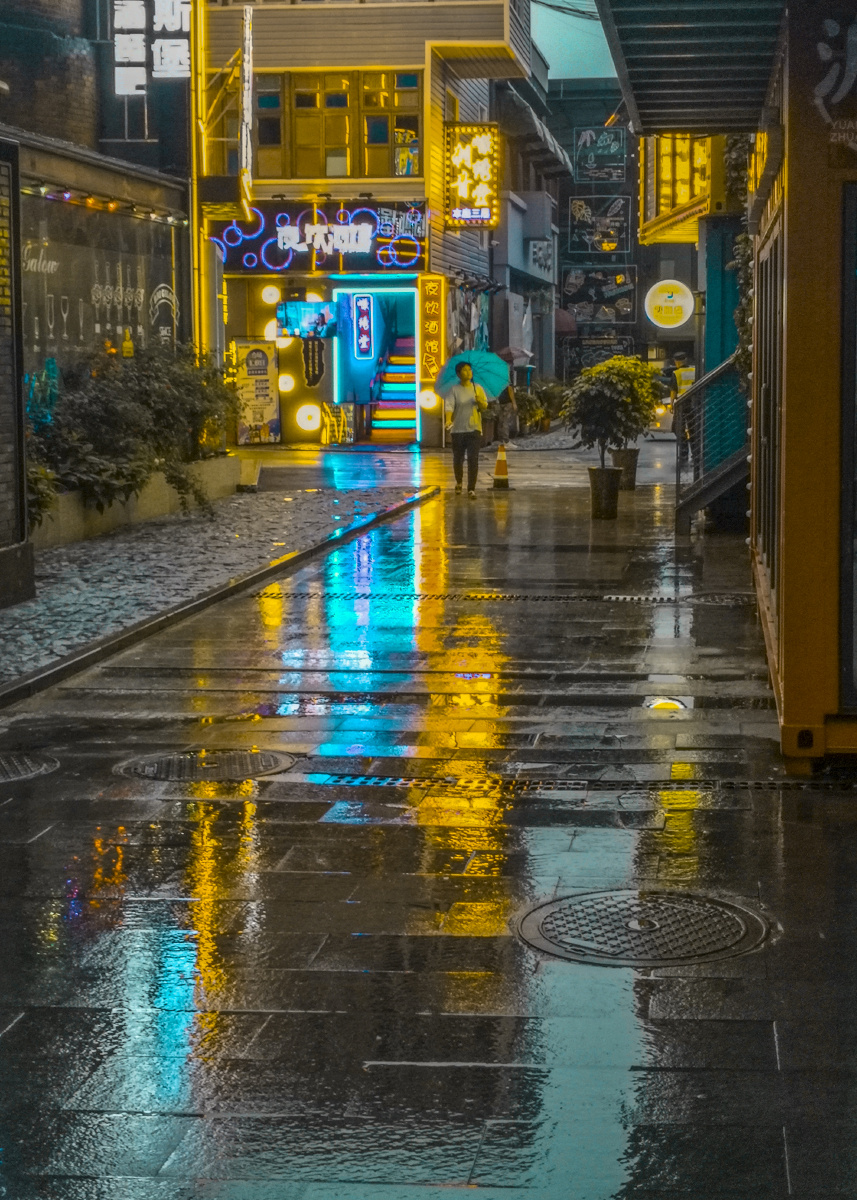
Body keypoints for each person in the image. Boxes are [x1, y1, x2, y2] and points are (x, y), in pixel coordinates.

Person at [444, 361, 488, 497]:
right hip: (458, 430)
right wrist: (448, 419)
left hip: (474, 429)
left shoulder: (478, 388)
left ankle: (471, 488)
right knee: (458, 459)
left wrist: (479, 401)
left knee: (473, 459)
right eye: (464, 370)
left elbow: (484, 407)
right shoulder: (454, 390)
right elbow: (449, 406)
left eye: (469, 370)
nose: (468, 372)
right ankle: (458, 482)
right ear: (458, 374)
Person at [496, 383, 518, 447]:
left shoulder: (496, 381)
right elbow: (510, 389)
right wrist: (514, 403)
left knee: (501, 422)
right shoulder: (505, 379)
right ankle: (505, 441)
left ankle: (501, 440)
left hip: (500, 402)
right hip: (507, 403)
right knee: (505, 421)